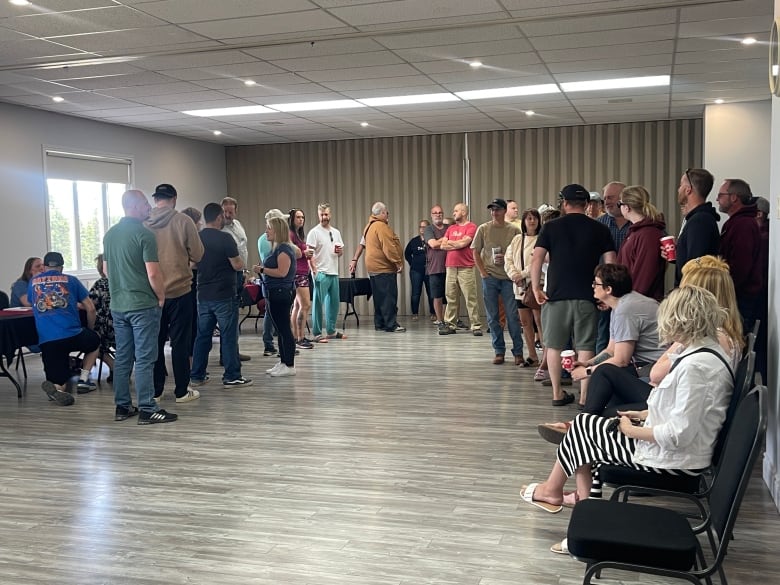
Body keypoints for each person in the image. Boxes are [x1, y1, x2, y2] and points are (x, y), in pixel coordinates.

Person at [521, 285, 734, 514]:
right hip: (685, 454)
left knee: (583, 432)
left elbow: (678, 435)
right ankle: (582, 508)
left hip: (676, 463)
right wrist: (643, 414)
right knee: (584, 429)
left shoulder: (695, 368)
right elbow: (684, 413)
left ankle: (569, 501)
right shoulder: (705, 353)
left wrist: (631, 431)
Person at [530, 184, 616, 407]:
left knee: (555, 346)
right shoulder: (600, 229)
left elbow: (537, 258)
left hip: (555, 296)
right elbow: (611, 263)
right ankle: (584, 397)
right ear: (587, 205)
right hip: (588, 296)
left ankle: (557, 393)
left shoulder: (550, 227)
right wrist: (608, 292)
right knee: (586, 345)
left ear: (564, 204)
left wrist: (536, 288)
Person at [104, 190, 175, 424]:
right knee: (145, 358)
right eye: (145, 204)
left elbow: (106, 270)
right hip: (143, 304)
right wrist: (161, 296)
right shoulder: (144, 235)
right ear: (134, 206)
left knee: (124, 357)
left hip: (119, 304)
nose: (149, 208)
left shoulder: (110, 235)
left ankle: (122, 406)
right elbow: (153, 272)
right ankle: (147, 408)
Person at [145, 183, 204, 403]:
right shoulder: (183, 221)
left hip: (152, 293)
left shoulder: (144, 222)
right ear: (174, 199)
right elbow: (198, 254)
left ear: (155, 199)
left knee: (155, 342)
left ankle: (156, 390)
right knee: (180, 342)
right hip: (180, 290)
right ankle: (181, 391)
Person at [190, 203, 253, 389]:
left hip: (203, 294)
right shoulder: (225, 238)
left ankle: (197, 375)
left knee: (203, 336)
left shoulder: (197, 238)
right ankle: (232, 375)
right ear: (218, 218)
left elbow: (192, 264)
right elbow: (236, 264)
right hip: (224, 294)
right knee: (228, 335)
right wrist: (242, 264)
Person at [29, 251, 100, 405]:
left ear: (45, 267)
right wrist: (90, 328)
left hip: (47, 340)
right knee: (95, 341)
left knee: (60, 381)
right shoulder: (72, 280)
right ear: (61, 266)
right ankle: (84, 380)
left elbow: (30, 302)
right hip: (73, 334)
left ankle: (56, 388)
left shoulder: (33, 282)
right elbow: (91, 308)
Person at [472, 198, 523, 364]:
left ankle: (518, 352)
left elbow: (519, 253)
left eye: (498, 209)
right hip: (490, 278)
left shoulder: (514, 230)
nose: (494, 212)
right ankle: (499, 351)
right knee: (493, 317)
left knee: (513, 317)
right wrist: (483, 273)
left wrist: (513, 268)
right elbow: (475, 252)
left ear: (504, 211)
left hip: (508, 279)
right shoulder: (483, 229)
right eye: (492, 210)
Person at [716, 178, 762, 332]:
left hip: (740, 300)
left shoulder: (743, 225)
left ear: (734, 197)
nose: (717, 199)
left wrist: (726, 292)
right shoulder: (736, 223)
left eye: (721, 195)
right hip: (737, 298)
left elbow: (741, 267)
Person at [255, 215, 298, 377]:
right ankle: (283, 362)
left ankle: (290, 365)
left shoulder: (284, 249)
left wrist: (262, 270)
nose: (266, 231)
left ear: (277, 230)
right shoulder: (276, 248)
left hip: (281, 293)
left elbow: (282, 272)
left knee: (284, 329)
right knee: (280, 330)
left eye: (269, 228)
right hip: (273, 292)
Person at [666, 168, 720, 286]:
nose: (678, 189)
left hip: (692, 296)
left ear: (688, 190)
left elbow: (695, 266)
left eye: (681, 185)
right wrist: (677, 254)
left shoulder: (700, 221)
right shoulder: (696, 219)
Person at [615, 185, 666, 301]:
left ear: (626, 207)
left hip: (639, 305)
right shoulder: (635, 232)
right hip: (629, 301)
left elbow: (644, 275)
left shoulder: (648, 235)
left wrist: (629, 302)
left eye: (619, 204)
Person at [505, 208, 543, 367]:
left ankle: (546, 357)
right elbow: (508, 259)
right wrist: (514, 275)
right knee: (525, 322)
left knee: (539, 322)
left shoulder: (542, 239)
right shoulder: (517, 240)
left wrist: (523, 274)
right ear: (523, 221)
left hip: (535, 286)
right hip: (519, 288)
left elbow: (538, 262)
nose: (532, 221)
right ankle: (532, 356)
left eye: (534, 218)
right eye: (528, 218)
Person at [595, 181, 629, 353]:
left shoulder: (638, 223)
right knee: (603, 334)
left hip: (632, 290)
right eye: (605, 198)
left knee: (628, 336)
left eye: (610, 197)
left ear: (623, 199)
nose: (606, 201)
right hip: (606, 290)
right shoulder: (598, 225)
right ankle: (597, 374)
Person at [438, 203, 482, 335]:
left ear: (463, 212)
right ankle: (450, 325)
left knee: (470, 297)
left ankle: (476, 326)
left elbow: (464, 243)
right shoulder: (450, 228)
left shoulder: (472, 227)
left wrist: (452, 243)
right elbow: (442, 246)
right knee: (451, 297)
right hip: (450, 267)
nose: (453, 213)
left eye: (456, 211)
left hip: (466, 268)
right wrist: (455, 244)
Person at [307, 203, 346, 342]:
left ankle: (331, 330)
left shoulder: (336, 232)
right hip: (321, 272)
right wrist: (315, 272)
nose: (324, 217)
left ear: (330, 214)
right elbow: (309, 254)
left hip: (333, 271)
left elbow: (339, 251)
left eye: (326, 214)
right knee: (318, 303)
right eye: (322, 214)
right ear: (318, 215)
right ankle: (317, 333)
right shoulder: (314, 232)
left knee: (334, 304)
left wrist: (340, 252)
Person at [363, 202, 405, 332]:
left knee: (379, 297)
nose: (388, 215)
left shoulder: (369, 226)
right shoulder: (381, 227)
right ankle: (390, 324)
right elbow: (388, 247)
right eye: (386, 212)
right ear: (381, 213)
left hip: (373, 268)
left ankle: (379, 323)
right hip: (383, 268)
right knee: (388, 297)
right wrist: (398, 262)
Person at [221, 196, 251, 362]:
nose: (227, 215)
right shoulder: (220, 230)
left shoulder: (238, 225)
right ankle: (226, 355)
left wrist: (245, 271)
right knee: (228, 316)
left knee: (235, 314)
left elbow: (243, 248)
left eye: (230, 212)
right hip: (228, 274)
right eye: (225, 211)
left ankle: (233, 351)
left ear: (235, 211)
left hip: (240, 273)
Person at [289, 208, 314, 349]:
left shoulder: (298, 235)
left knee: (298, 306)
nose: (301, 220)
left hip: (303, 272)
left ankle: (296, 337)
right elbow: (291, 252)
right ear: (292, 219)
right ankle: (300, 338)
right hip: (298, 273)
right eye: (298, 217)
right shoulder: (290, 235)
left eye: (302, 217)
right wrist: (304, 253)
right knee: (305, 305)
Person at [180, 207, 202, 361]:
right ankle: (190, 358)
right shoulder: (190, 237)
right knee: (192, 321)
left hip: (187, 281)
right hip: (190, 281)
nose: (200, 224)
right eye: (198, 221)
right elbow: (195, 259)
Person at [88, 254, 115, 380]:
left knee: (92, 342)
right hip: (123, 324)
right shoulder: (124, 282)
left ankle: (113, 366)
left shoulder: (100, 284)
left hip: (106, 326)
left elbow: (90, 304)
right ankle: (121, 368)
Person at [404, 219, 433, 321]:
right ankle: (415, 313)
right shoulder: (414, 241)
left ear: (429, 228)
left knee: (431, 292)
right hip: (416, 271)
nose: (422, 229)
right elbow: (407, 253)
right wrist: (413, 263)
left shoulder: (433, 240)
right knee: (416, 292)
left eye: (425, 227)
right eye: (421, 227)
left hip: (430, 271)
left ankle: (433, 313)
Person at [424, 204, 448, 325]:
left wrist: (440, 242)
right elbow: (433, 244)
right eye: (435, 213)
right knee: (437, 296)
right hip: (435, 268)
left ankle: (450, 320)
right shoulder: (429, 229)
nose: (438, 214)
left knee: (450, 296)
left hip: (450, 267)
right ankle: (440, 320)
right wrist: (446, 240)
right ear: (431, 215)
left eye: (440, 212)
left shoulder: (450, 227)